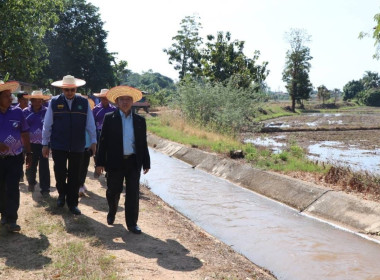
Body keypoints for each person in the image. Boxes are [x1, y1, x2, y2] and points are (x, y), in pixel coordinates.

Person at [95, 85, 150, 234]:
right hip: (114, 161)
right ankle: (112, 210)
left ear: (132, 102)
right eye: (122, 99)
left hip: (133, 161)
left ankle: (132, 223)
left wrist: (146, 162)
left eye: (128, 99)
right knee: (113, 191)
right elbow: (103, 142)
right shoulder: (109, 118)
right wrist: (99, 163)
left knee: (133, 193)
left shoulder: (140, 121)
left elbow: (142, 143)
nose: (125, 102)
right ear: (117, 102)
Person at [42, 75, 97, 215]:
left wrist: (93, 141)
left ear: (76, 89)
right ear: (62, 89)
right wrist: (45, 143)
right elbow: (47, 124)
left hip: (78, 145)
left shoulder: (84, 103)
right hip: (59, 144)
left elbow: (90, 124)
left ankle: (73, 203)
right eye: (67, 90)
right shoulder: (54, 102)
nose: (69, 93)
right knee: (59, 173)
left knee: (75, 175)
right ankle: (61, 196)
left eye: (72, 90)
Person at [0, 80, 32, 232]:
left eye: (10, 95)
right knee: (1, 188)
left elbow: (25, 133)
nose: (11, 98)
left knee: (13, 187)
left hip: (15, 157)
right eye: (7, 96)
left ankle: (12, 219)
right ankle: (4, 215)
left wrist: (29, 152)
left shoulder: (18, 112)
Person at [23, 90, 51, 196]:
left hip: (44, 143)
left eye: (40, 100)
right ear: (32, 101)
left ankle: (45, 189)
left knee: (44, 165)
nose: (38, 103)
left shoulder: (47, 111)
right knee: (31, 164)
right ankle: (31, 182)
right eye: (36, 100)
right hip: (30, 144)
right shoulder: (25, 112)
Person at [78, 95, 95, 197]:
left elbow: (92, 129)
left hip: (87, 144)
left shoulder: (89, 115)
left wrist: (93, 142)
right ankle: (79, 185)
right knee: (78, 166)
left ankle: (81, 184)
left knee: (84, 166)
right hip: (76, 144)